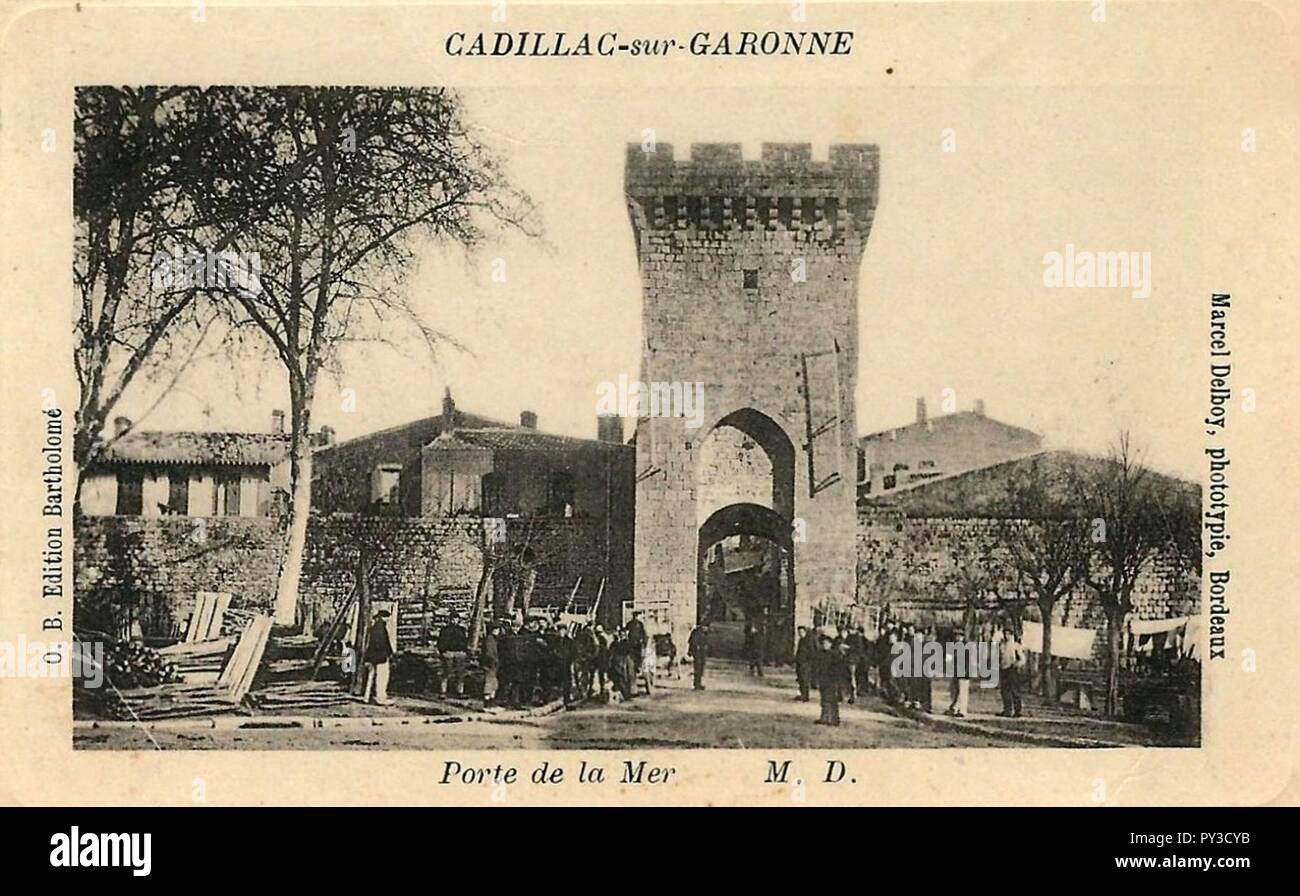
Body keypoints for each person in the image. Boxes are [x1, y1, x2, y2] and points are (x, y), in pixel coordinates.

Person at [362, 609, 395, 706]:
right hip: (380, 656)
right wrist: (388, 653)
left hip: (372, 656)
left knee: (371, 676)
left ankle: (366, 697)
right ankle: (380, 697)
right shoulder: (381, 628)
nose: (388, 620)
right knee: (382, 677)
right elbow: (382, 644)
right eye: (387, 618)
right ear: (384, 617)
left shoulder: (374, 627)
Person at [813, 632, 847, 726]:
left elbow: (838, 669)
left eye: (827, 643)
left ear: (830, 644)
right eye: (823, 643)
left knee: (832, 700)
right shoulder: (820, 654)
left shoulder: (834, 655)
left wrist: (837, 681)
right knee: (824, 699)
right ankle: (824, 717)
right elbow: (817, 667)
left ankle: (834, 719)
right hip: (823, 679)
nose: (825, 645)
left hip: (832, 680)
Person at [437, 616, 469, 697]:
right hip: (448, 653)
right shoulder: (445, 630)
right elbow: (440, 641)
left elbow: (464, 641)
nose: (454, 620)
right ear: (449, 620)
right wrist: (443, 651)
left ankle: (460, 692)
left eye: (456, 619)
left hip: (459, 653)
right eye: (452, 619)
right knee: (446, 672)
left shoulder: (461, 630)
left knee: (460, 673)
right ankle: (443, 692)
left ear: (458, 620)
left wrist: (464, 650)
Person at [998, 627, 1025, 717]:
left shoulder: (1016, 645)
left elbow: (1022, 659)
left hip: (1012, 670)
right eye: (1005, 634)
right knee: (1004, 691)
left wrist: (1017, 664)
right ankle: (1007, 710)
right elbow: (1000, 657)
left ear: (1012, 635)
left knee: (1014, 690)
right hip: (1003, 669)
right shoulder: (1001, 645)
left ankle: (1018, 711)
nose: (1006, 636)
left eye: (1008, 634)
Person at [946, 630, 970, 718]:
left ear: (963, 637)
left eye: (960, 636)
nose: (958, 638)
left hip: (964, 672)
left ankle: (963, 710)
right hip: (956, 672)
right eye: (956, 636)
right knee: (954, 690)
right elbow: (949, 659)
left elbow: (969, 661)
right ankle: (955, 708)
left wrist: (966, 670)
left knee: (963, 691)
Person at [794, 625, 816, 702]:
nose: (800, 633)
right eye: (799, 632)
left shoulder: (809, 640)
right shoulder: (802, 640)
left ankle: (805, 696)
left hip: (806, 664)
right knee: (800, 679)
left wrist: (808, 662)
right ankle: (802, 694)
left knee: (805, 680)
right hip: (800, 663)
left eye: (801, 632)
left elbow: (812, 652)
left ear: (805, 632)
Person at [480, 623, 500, 705]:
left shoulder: (494, 639)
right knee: (489, 682)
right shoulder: (489, 639)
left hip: (493, 663)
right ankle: (487, 701)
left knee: (493, 682)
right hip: (490, 663)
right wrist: (493, 660)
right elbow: (489, 652)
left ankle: (491, 700)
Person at [687, 622, 710, 690]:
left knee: (701, 668)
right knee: (698, 668)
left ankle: (698, 683)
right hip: (697, 653)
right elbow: (692, 643)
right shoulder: (697, 632)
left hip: (701, 653)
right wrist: (691, 651)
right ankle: (697, 684)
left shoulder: (703, 633)